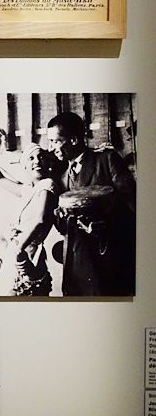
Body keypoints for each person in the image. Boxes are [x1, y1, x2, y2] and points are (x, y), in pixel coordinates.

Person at [46, 112, 136, 296]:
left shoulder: (107, 160)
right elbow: (63, 225)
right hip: (75, 266)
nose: (51, 148)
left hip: (108, 262)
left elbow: (132, 204)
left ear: (73, 140)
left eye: (55, 141)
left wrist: (105, 224)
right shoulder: (61, 174)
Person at [0, 143, 59, 297]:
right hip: (18, 249)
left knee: (19, 294)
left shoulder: (47, 184)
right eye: (31, 158)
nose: (36, 161)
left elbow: (41, 220)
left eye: (41, 157)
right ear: (25, 167)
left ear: (48, 163)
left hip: (27, 251)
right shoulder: (29, 190)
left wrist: (20, 248)